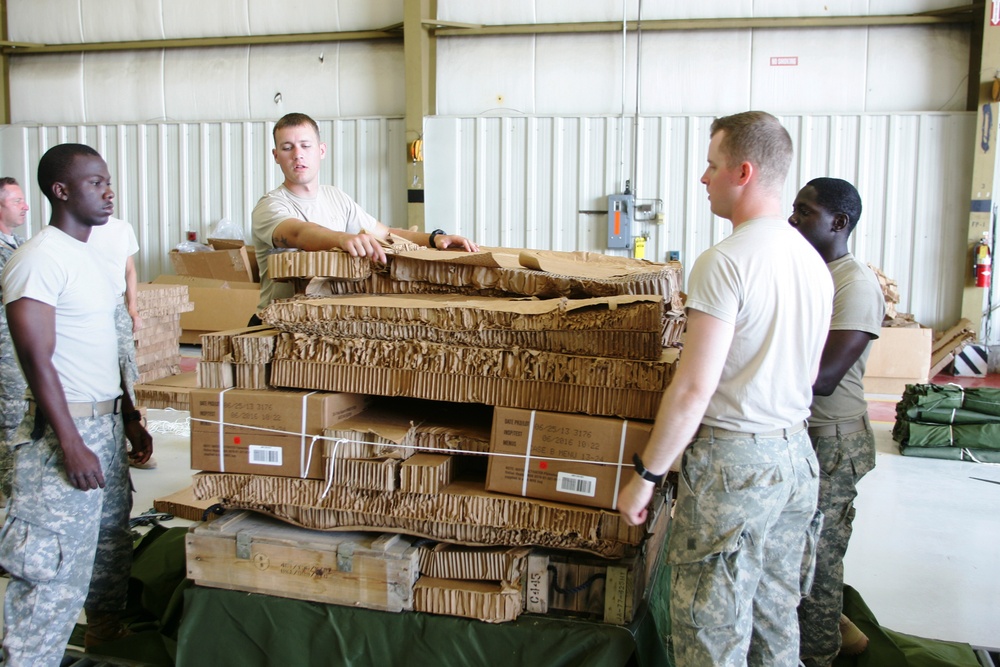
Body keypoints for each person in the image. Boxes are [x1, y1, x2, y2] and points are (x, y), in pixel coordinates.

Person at [617, 111, 833, 666]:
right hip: (795, 460)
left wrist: (646, 476)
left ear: (743, 171)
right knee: (774, 623)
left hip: (735, 468)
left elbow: (693, 389)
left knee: (710, 633)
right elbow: (807, 374)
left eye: (711, 166)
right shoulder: (812, 263)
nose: (702, 178)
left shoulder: (726, 262)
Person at [0, 143, 153, 666]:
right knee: (50, 580)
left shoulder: (88, 255)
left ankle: (102, 639)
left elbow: (108, 346)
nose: (107, 191)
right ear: (60, 191)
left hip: (104, 426)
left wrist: (129, 417)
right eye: (94, 183)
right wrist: (70, 442)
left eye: (107, 180)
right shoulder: (39, 258)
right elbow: (34, 359)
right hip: (64, 435)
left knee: (105, 555)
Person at [250, 112, 480, 318]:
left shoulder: (336, 197)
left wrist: (435, 239)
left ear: (321, 150)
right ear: (276, 155)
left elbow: (386, 234)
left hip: (322, 324)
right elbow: (298, 233)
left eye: (305, 145)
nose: (297, 155)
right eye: (287, 147)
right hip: (275, 324)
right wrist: (342, 238)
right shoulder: (270, 206)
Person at [789, 178, 884, 665]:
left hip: (834, 442)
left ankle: (821, 655)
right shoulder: (812, 275)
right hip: (803, 438)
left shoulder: (855, 285)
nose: (793, 220)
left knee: (819, 563)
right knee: (796, 557)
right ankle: (837, 632)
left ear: (839, 223)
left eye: (805, 212)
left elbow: (823, 378)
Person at [90, 216, 155, 469]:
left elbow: (130, 269)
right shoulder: (75, 232)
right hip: (90, 308)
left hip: (116, 307)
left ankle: (129, 443)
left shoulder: (121, 228)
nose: (107, 193)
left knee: (125, 371)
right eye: (96, 184)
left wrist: (133, 309)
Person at [0, 178, 29, 501]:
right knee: (8, 414)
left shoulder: (18, 244)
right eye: (16, 201)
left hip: (17, 345)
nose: (25, 207)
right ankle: (6, 490)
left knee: (18, 411)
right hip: (4, 346)